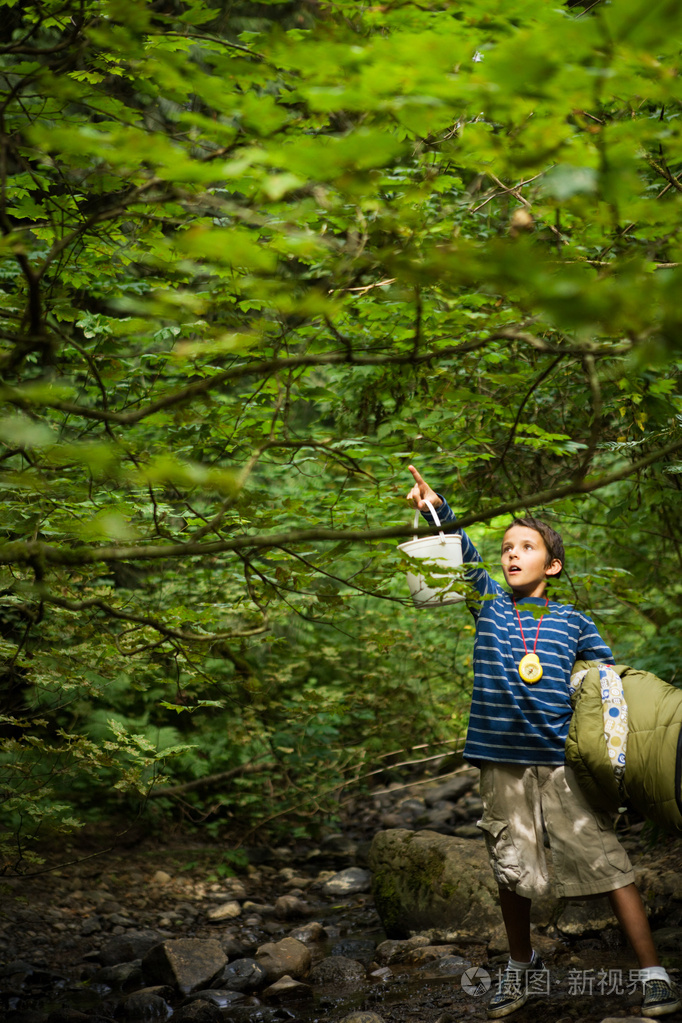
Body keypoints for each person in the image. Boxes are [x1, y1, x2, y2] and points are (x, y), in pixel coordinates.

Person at [405, 465, 680, 1020]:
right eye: (507, 547)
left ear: (551, 565)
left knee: (607, 863)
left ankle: (654, 973)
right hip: (501, 763)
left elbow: (609, 691)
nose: (511, 554)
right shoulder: (489, 605)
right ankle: (521, 966)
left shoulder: (574, 622)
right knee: (512, 867)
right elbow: (460, 551)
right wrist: (436, 507)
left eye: (525, 547)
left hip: (561, 761)